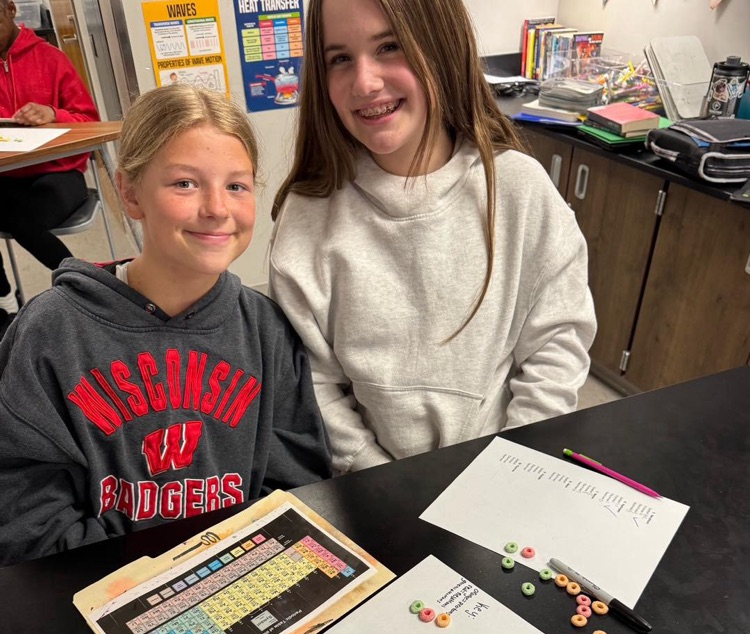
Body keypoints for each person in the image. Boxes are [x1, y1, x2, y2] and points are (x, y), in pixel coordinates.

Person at [0, 84, 331, 566]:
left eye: (236, 185)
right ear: (130, 193)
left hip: (240, 577)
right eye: (185, 183)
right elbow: (23, 507)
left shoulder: (265, 328)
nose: (217, 208)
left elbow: (297, 478)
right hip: (96, 587)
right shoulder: (51, 332)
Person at [269, 0, 597, 475]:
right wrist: (379, 477)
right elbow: (312, 382)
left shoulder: (520, 190)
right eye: (339, 59)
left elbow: (556, 346)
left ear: (442, 47)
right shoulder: (306, 220)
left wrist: (514, 468)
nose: (364, 82)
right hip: (373, 492)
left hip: (507, 477)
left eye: (389, 46)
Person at [0, 0, 100, 321]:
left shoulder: (51, 59)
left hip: (59, 174)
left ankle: (85, 290)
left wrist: (54, 113)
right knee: (12, 209)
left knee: (18, 216)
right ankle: (4, 302)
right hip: (8, 176)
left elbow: (90, 120)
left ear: (10, 9)